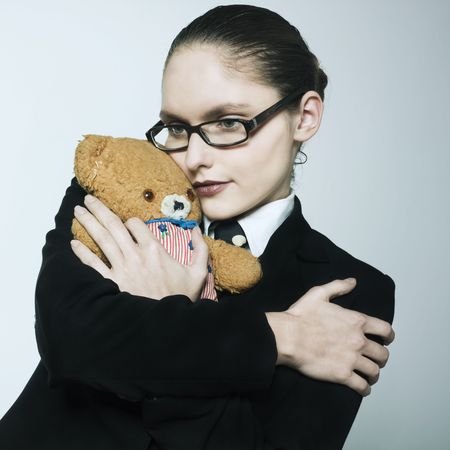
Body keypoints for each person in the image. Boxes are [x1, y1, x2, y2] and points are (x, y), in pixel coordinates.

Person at [0, 4, 395, 450]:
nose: (194, 157)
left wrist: (165, 307)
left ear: (304, 117)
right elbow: (69, 341)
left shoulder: (348, 293)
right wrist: (280, 336)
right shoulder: (117, 183)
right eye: (176, 128)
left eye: (228, 122)